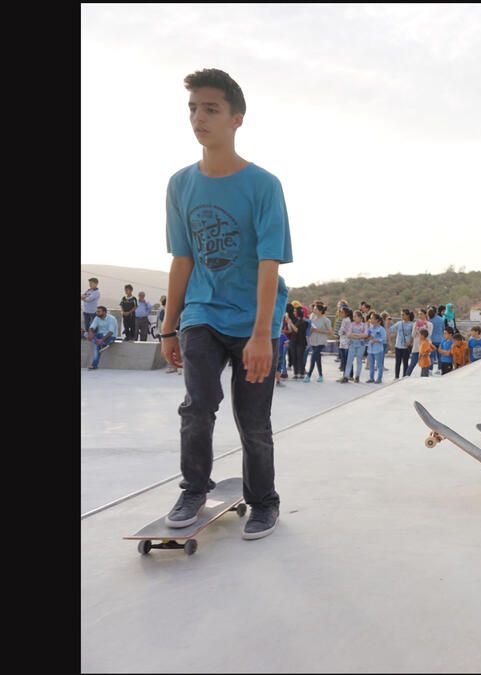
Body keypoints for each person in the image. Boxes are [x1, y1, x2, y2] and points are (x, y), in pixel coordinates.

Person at [159, 67, 293, 540]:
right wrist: (169, 326)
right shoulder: (180, 184)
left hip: (254, 319)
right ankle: (194, 488)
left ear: (237, 119)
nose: (199, 117)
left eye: (210, 109)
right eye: (193, 108)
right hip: (201, 312)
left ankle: (264, 501)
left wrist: (262, 336)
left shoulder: (263, 185)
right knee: (197, 406)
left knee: (253, 421)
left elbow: (268, 263)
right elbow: (183, 259)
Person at [305, 301, 332, 382]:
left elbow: (330, 332)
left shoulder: (326, 320)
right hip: (313, 341)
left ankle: (308, 376)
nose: (313, 310)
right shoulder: (312, 319)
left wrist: (318, 330)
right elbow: (310, 330)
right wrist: (311, 330)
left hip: (321, 341)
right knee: (317, 358)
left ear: (320, 311)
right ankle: (321, 375)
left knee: (313, 357)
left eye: (315, 309)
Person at [86, 306, 118, 370]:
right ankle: (102, 345)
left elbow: (111, 332)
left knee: (96, 346)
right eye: (96, 311)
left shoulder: (111, 318)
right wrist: (90, 334)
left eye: (99, 311)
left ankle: (94, 365)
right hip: (100, 335)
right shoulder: (97, 318)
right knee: (86, 333)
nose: (96, 313)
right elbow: (91, 327)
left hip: (111, 337)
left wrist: (102, 340)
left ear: (104, 312)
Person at [341, 310, 369, 383]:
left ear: (360, 317)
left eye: (355, 316)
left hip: (361, 345)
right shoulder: (352, 324)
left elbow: (365, 335)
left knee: (359, 361)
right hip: (352, 344)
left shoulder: (364, 325)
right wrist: (360, 336)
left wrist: (355, 335)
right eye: (353, 316)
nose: (353, 318)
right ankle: (346, 376)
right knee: (349, 360)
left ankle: (357, 376)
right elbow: (349, 334)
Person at [392, 309, 415, 379]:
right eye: (401, 314)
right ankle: (396, 377)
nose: (402, 316)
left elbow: (413, 336)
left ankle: (404, 376)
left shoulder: (412, 324)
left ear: (408, 316)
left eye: (403, 314)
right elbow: (391, 329)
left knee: (405, 363)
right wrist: (387, 322)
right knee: (397, 362)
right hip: (398, 346)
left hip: (406, 347)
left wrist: (409, 343)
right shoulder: (399, 323)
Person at [289, 302, 309, 379]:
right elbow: (292, 330)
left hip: (301, 342)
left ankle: (302, 373)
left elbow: (298, 331)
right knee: (294, 357)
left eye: (295, 311)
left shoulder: (305, 322)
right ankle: (296, 373)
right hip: (294, 341)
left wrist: (290, 323)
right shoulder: (296, 321)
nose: (293, 312)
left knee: (300, 357)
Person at [366, 312, 387, 383]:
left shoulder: (381, 329)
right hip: (370, 350)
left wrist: (376, 340)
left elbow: (384, 339)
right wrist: (368, 337)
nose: (370, 319)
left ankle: (379, 378)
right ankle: (371, 378)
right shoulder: (370, 328)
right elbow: (367, 338)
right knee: (371, 365)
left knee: (379, 365)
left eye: (372, 318)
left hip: (378, 350)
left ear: (377, 320)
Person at [336, 305, 353, 377]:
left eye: (342, 312)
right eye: (340, 312)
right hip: (343, 342)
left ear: (346, 313)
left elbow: (342, 332)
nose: (340, 313)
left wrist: (341, 333)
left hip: (346, 343)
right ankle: (349, 375)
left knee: (345, 360)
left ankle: (346, 376)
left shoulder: (346, 320)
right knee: (346, 360)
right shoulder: (345, 320)